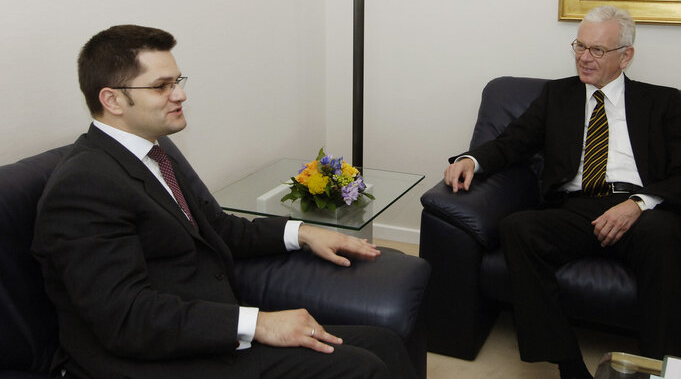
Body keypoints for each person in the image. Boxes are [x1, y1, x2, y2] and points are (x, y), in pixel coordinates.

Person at [32, 25, 416, 379]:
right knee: (360, 368)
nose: (180, 94)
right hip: (149, 359)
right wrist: (258, 323)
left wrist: (303, 233)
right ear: (112, 99)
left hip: (203, 327)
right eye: (161, 86)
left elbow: (217, 227)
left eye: (177, 81)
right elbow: (126, 318)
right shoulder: (84, 186)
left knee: (385, 343)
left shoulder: (153, 153)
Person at [444, 6, 681, 379]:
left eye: (597, 50)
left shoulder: (661, 102)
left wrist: (637, 204)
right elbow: (511, 143)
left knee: (663, 235)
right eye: (579, 46)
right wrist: (472, 159)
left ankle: (657, 369)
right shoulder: (557, 95)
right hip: (577, 208)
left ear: (625, 56)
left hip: (641, 210)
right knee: (517, 228)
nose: (584, 57)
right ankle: (568, 364)